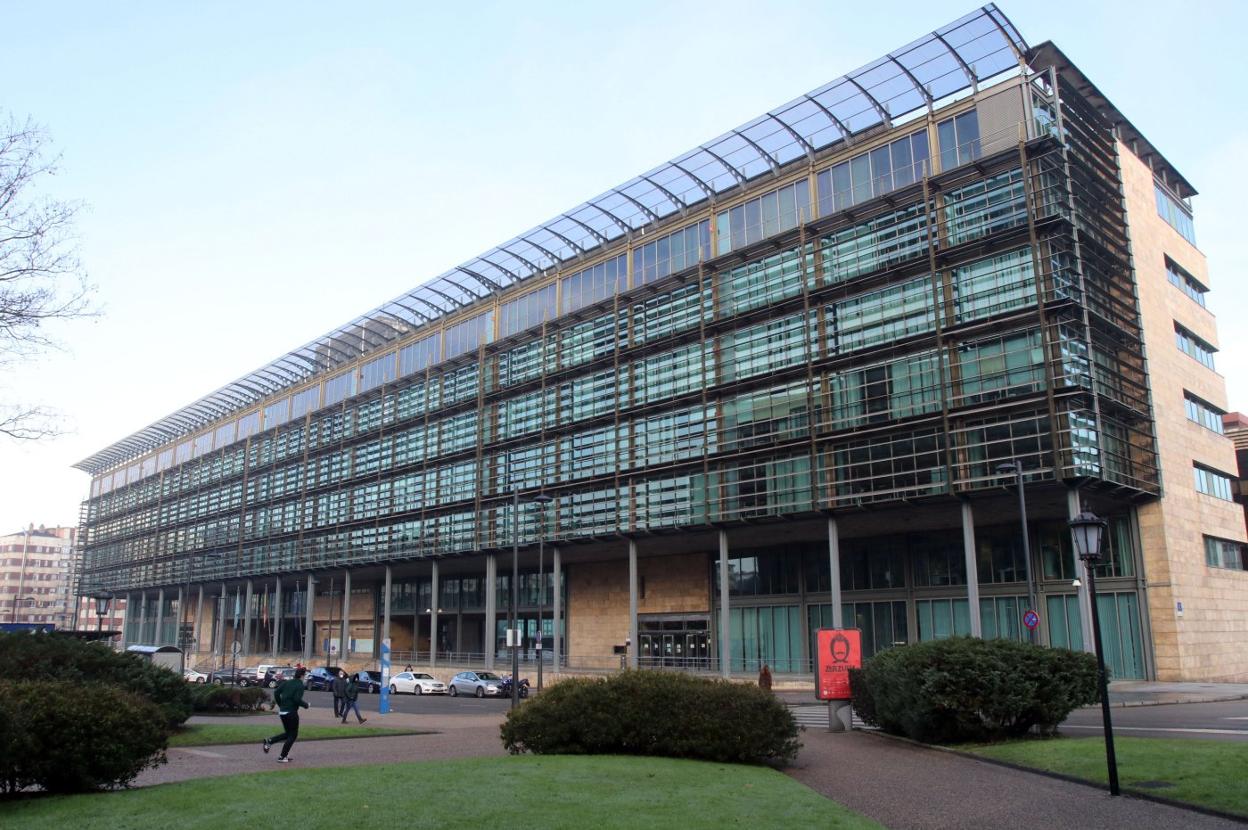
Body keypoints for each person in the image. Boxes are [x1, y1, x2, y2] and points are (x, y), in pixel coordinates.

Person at [263, 666, 310, 763]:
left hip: (283, 712)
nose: (304, 677)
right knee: (293, 735)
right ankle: (282, 756)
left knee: (288, 734)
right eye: (304, 675)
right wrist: (306, 705)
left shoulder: (287, 682)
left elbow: (276, 692)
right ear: (302, 676)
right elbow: (297, 699)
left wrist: (281, 704)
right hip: (291, 712)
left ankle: (270, 741)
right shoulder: (300, 685)